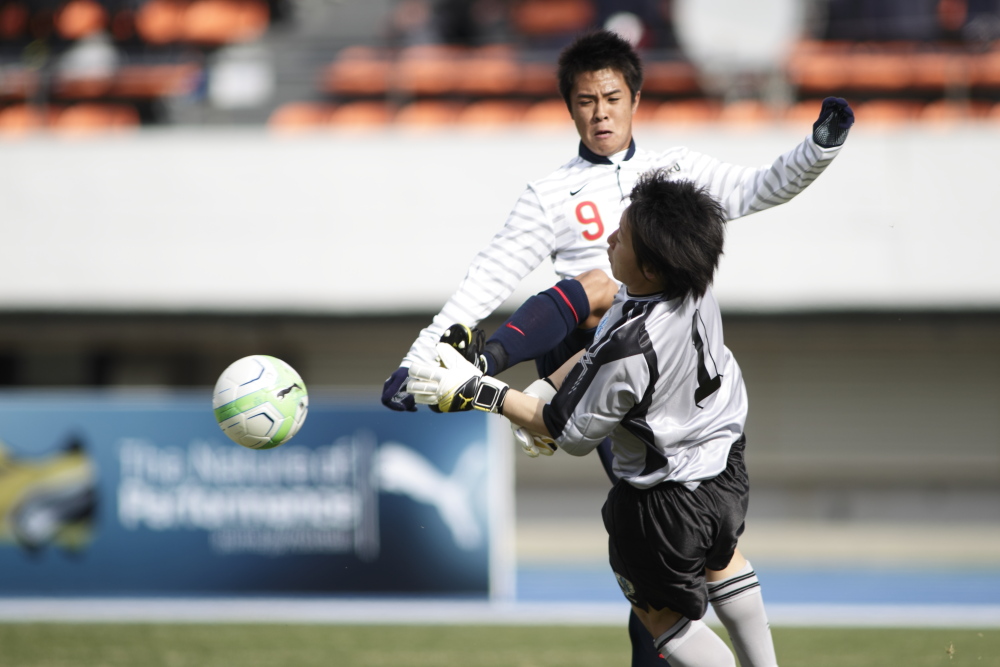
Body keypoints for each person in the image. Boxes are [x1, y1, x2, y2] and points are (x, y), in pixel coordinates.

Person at [383, 28, 852, 666]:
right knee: (691, 552)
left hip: (629, 373)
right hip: (612, 370)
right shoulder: (551, 194)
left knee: (656, 564)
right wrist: (420, 356)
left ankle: (490, 376)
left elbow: (760, 186)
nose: (600, 113)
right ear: (569, 108)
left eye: (611, 98)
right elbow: (487, 277)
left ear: (635, 98)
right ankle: (493, 368)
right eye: (586, 101)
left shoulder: (676, 173)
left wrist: (817, 149)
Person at [409, 172, 770, 667]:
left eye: (623, 235)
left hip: (664, 502)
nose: (609, 238)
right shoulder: (690, 287)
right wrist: (542, 388)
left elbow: (568, 431)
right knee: (723, 562)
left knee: (664, 621)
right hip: (725, 468)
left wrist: (477, 390)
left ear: (650, 266)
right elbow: (597, 354)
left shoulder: (633, 344)